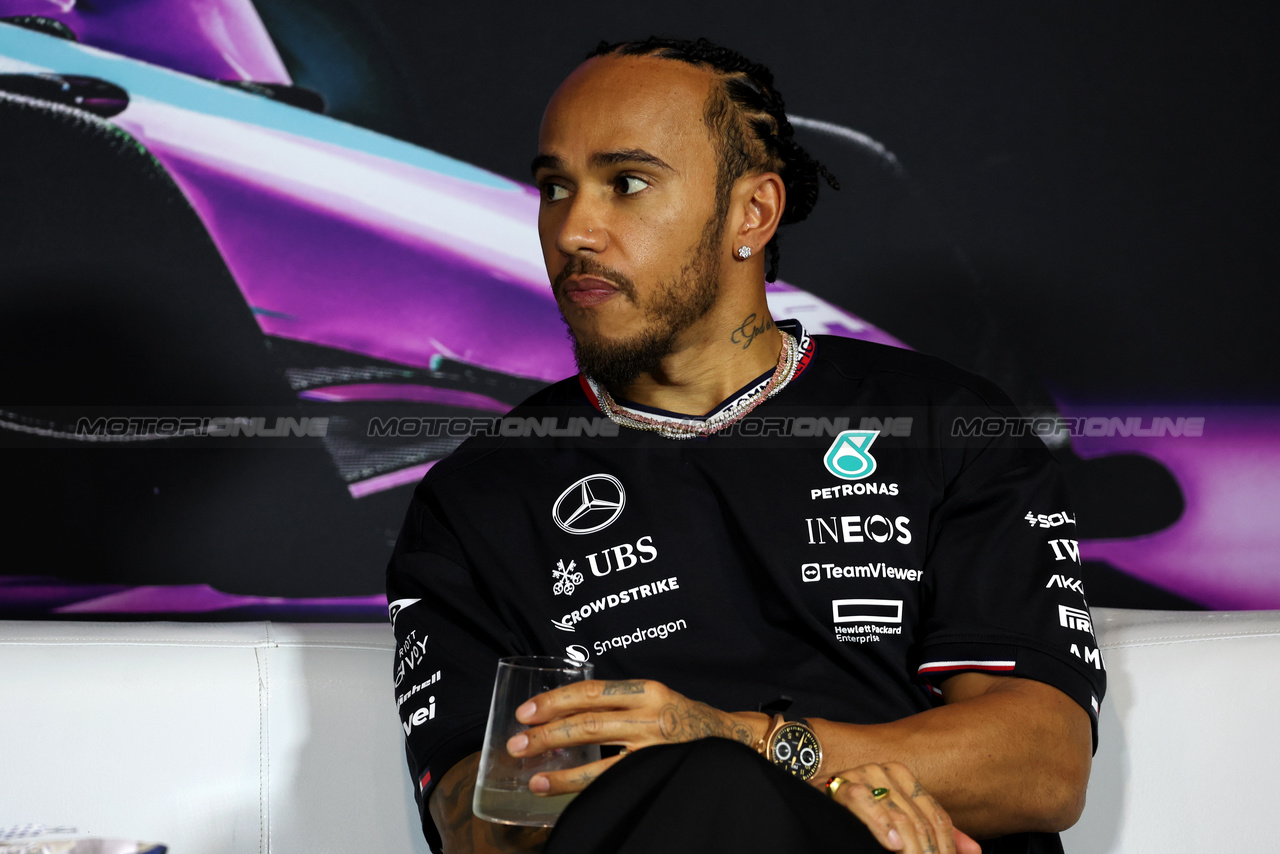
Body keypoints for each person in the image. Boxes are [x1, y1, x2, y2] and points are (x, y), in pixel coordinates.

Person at [387, 36, 1104, 854]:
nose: (575, 229)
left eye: (626, 184)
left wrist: (742, 743)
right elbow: (469, 827)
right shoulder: (475, 499)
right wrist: (697, 781)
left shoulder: (944, 424)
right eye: (556, 188)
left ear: (750, 214)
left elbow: (1044, 765)